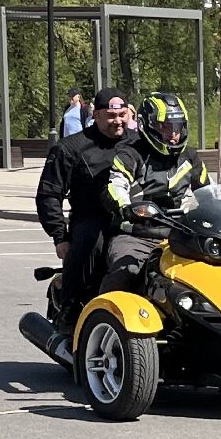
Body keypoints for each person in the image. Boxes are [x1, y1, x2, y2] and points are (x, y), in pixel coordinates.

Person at [35, 89, 135, 330]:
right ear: (96, 115)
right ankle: (70, 310)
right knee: (92, 241)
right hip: (92, 219)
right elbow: (49, 194)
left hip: (136, 219)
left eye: (122, 114)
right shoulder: (71, 148)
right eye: (111, 116)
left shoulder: (139, 143)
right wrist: (59, 236)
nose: (118, 121)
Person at [101, 93, 208, 293]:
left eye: (178, 127)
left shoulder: (190, 156)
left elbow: (209, 193)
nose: (174, 134)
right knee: (126, 272)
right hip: (137, 235)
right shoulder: (130, 154)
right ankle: (100, 317)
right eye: (166, 127)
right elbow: (115, 186)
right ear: (148, 126)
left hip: (181, 235)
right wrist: (126, 207)